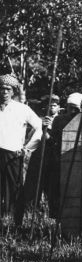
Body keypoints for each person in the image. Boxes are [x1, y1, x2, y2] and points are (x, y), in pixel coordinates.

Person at [0, 74, 42, 226]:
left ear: (13, 91)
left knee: (16, 191)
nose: (4, 92)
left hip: (14, 154)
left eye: (8, 89)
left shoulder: (22, 109)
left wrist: (28, 147)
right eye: (2, 88)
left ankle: (17, 224)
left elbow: (39, 127)